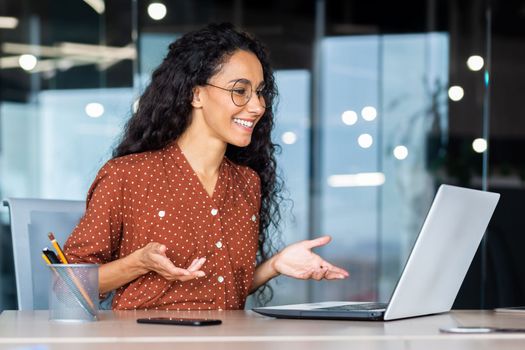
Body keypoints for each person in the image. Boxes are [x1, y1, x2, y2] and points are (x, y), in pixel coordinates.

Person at [64, 23, 349, 311]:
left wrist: (275, 264)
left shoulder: (246, 182)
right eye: (240, 91)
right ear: (195, 94)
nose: (258, 107)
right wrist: (137, 264)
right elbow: (67, 286)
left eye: (260, 93)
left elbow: (219, 291)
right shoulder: (128, 175)